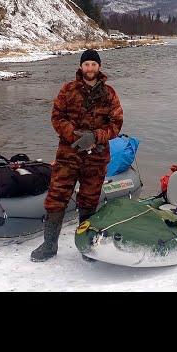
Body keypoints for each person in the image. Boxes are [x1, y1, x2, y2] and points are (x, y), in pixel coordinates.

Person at [31, 49, 123, 262]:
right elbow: (57, 117)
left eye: (93, 64)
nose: (90, 68)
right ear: (81, 67)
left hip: (96, 158)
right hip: (68, 155)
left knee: (89, 201)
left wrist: (95, 137)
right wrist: (74, 136)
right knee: (56, 198)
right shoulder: (67, 90)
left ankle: (86, 246)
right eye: (86, 64)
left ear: (99, 67)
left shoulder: (109, 93)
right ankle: (49, 245)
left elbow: (116, 124)